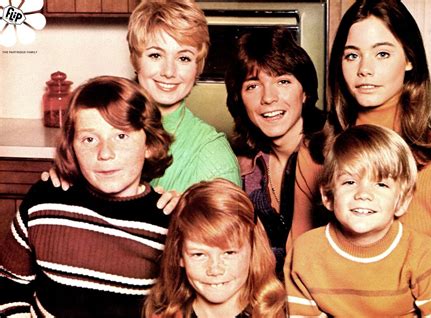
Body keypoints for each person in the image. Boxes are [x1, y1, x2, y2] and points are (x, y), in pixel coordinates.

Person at [295, 0, 431, 314]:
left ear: (409, 59)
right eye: (352, 55)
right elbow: (299, 271)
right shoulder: (315, 156)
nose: (364, 69)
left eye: (382, 53)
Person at [0, 76, 173, 317]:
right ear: (72, 147)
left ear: (150, 145)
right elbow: (9, 286)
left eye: (121, 136)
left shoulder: (169, 221)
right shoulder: (45, 199)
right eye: (89, 139)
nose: (104, 153)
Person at [43, 0, 241, 211]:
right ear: (135, 59)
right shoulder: (98, 128)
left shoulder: (212, 154)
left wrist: (189, 216)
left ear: (197, 67)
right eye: (155, 55)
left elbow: (232, 236)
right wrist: (63, 181)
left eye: (184, 58)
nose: (169, 71)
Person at [285, 124, 431, 317]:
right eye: (350, 182)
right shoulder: (304, 253)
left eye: (381, 184)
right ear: (328, 196)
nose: (363, 194)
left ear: (402, 202)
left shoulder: (423, 254)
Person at [224, 26, 326, 276]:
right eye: (252, 86)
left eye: (282, 81)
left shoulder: (335, 155)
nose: (268, 98)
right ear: (239, 98)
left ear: (306, 93)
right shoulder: (237, 166)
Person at [143, 179, 286, 318]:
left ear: (253, 250)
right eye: (199, 255)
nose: (215, 269)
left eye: (229, 253)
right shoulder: (163, 315)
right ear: (179, 256)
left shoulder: (279, 313)